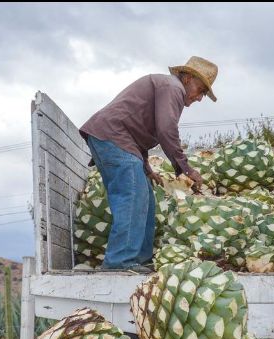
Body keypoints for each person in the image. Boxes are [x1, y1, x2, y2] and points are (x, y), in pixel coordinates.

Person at [79, 56, 217, 273]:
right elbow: (166, 130)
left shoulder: (166, 88)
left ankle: (139, 261)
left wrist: (147, 168)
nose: (200, 98)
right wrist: (186, 169)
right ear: (188, 78)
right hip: (113, 137)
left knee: (146, 200)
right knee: (132, 198)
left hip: (116, 139)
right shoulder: (173, 87)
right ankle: (119, 263)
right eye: (201, 90)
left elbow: (138, 131)